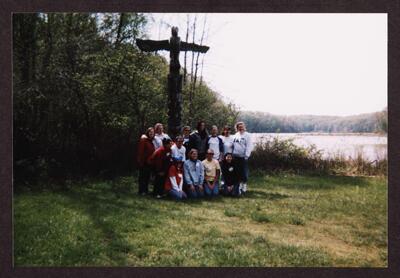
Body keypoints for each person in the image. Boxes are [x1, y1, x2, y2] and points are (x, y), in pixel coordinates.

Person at [232, 122, 253, 195]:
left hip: (243, 157)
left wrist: (246, 156)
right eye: (239, 127)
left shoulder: (247, 135)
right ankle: (239, 186)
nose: (241, 128)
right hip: (235, 157)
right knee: (237, 172)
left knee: (244, 172)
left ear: (244, 127)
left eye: (242, 127)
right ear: (237, 128)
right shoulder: (235, 135)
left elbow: (249, 146)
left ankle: (244, 185)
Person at [137, 127, 156, 195]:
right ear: (147, 132)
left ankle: (145, 191)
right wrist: (140, 161)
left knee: (147, 177)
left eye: (153, 132)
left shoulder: (151, 141)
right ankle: (141, 191)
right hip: (143, 162)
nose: (151, 133)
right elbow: (140, 151)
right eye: (150, 132)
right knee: (142, 177)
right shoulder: (144, 140)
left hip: (149, 162)